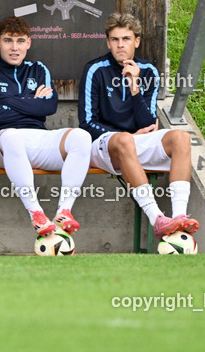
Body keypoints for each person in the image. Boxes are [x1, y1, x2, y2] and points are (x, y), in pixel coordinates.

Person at [79, 12, 199, 239]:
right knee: (124, 140)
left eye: (126, 39)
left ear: (137, 41)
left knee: (180, 137)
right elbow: (86, 124)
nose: (120, 45)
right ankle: (157, 220)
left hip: (136, 141)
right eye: (115, 40)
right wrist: (127, 135)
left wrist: (134, 86)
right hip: (104, 146)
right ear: (108, 42)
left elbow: (148, 123)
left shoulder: (149, 71)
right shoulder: (95, 70)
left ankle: (179, 217)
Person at [0, 16, 91, 239]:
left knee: (82, 137)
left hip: (37, 139)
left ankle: (64, 211)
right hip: (1, 145)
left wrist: (6, 100)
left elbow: (49, 106)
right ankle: (36, 213)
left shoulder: (38, 69)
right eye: (8, 41)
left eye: (20, 41)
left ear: (28, 43)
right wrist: (31, 102)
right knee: (12, 137)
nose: (14, 48)